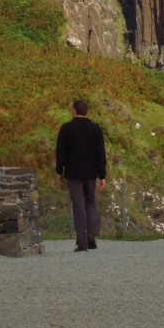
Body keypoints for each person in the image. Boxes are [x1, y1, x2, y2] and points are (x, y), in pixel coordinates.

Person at [55, 98, 107, 252]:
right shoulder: (96, 129)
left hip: (73, 173)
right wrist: (102, 175)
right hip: (91, 173)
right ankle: (92, 235)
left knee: (79, 205)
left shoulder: (66, 129)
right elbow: (100, 154)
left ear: (74, 111)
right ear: (86, 112)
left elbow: (61, 152)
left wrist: (59, 171)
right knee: (90, 202)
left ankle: (82, 242)